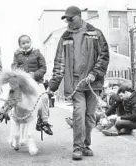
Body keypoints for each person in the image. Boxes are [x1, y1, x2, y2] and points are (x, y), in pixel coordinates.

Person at [48, 6, 109, 160]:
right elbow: (59, 63)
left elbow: (104, 55)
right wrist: (53, 86)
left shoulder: (95, 33)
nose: (68, 21)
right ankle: (77, 147)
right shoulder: (65, 37)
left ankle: (86, 145)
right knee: (78, 115)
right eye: (66, 19)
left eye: (71, 18)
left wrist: (94, 74)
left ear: (79, 16)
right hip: (76, 84)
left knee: (90, 116)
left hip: (93, 83)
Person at [10, 35, 53, 135]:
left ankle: (44, 121)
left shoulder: (37, 53)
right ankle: (7, 113)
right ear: (19, 45)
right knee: (12, 95)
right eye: (23, 43)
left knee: (44, 98)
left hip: (37, 82)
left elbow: (43, 67)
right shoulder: (17, 55)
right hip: (23, 83)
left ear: (30, 42)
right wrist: (22, 76)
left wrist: (34, 75)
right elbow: (14, 67)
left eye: (27, 42)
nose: (26, 44)